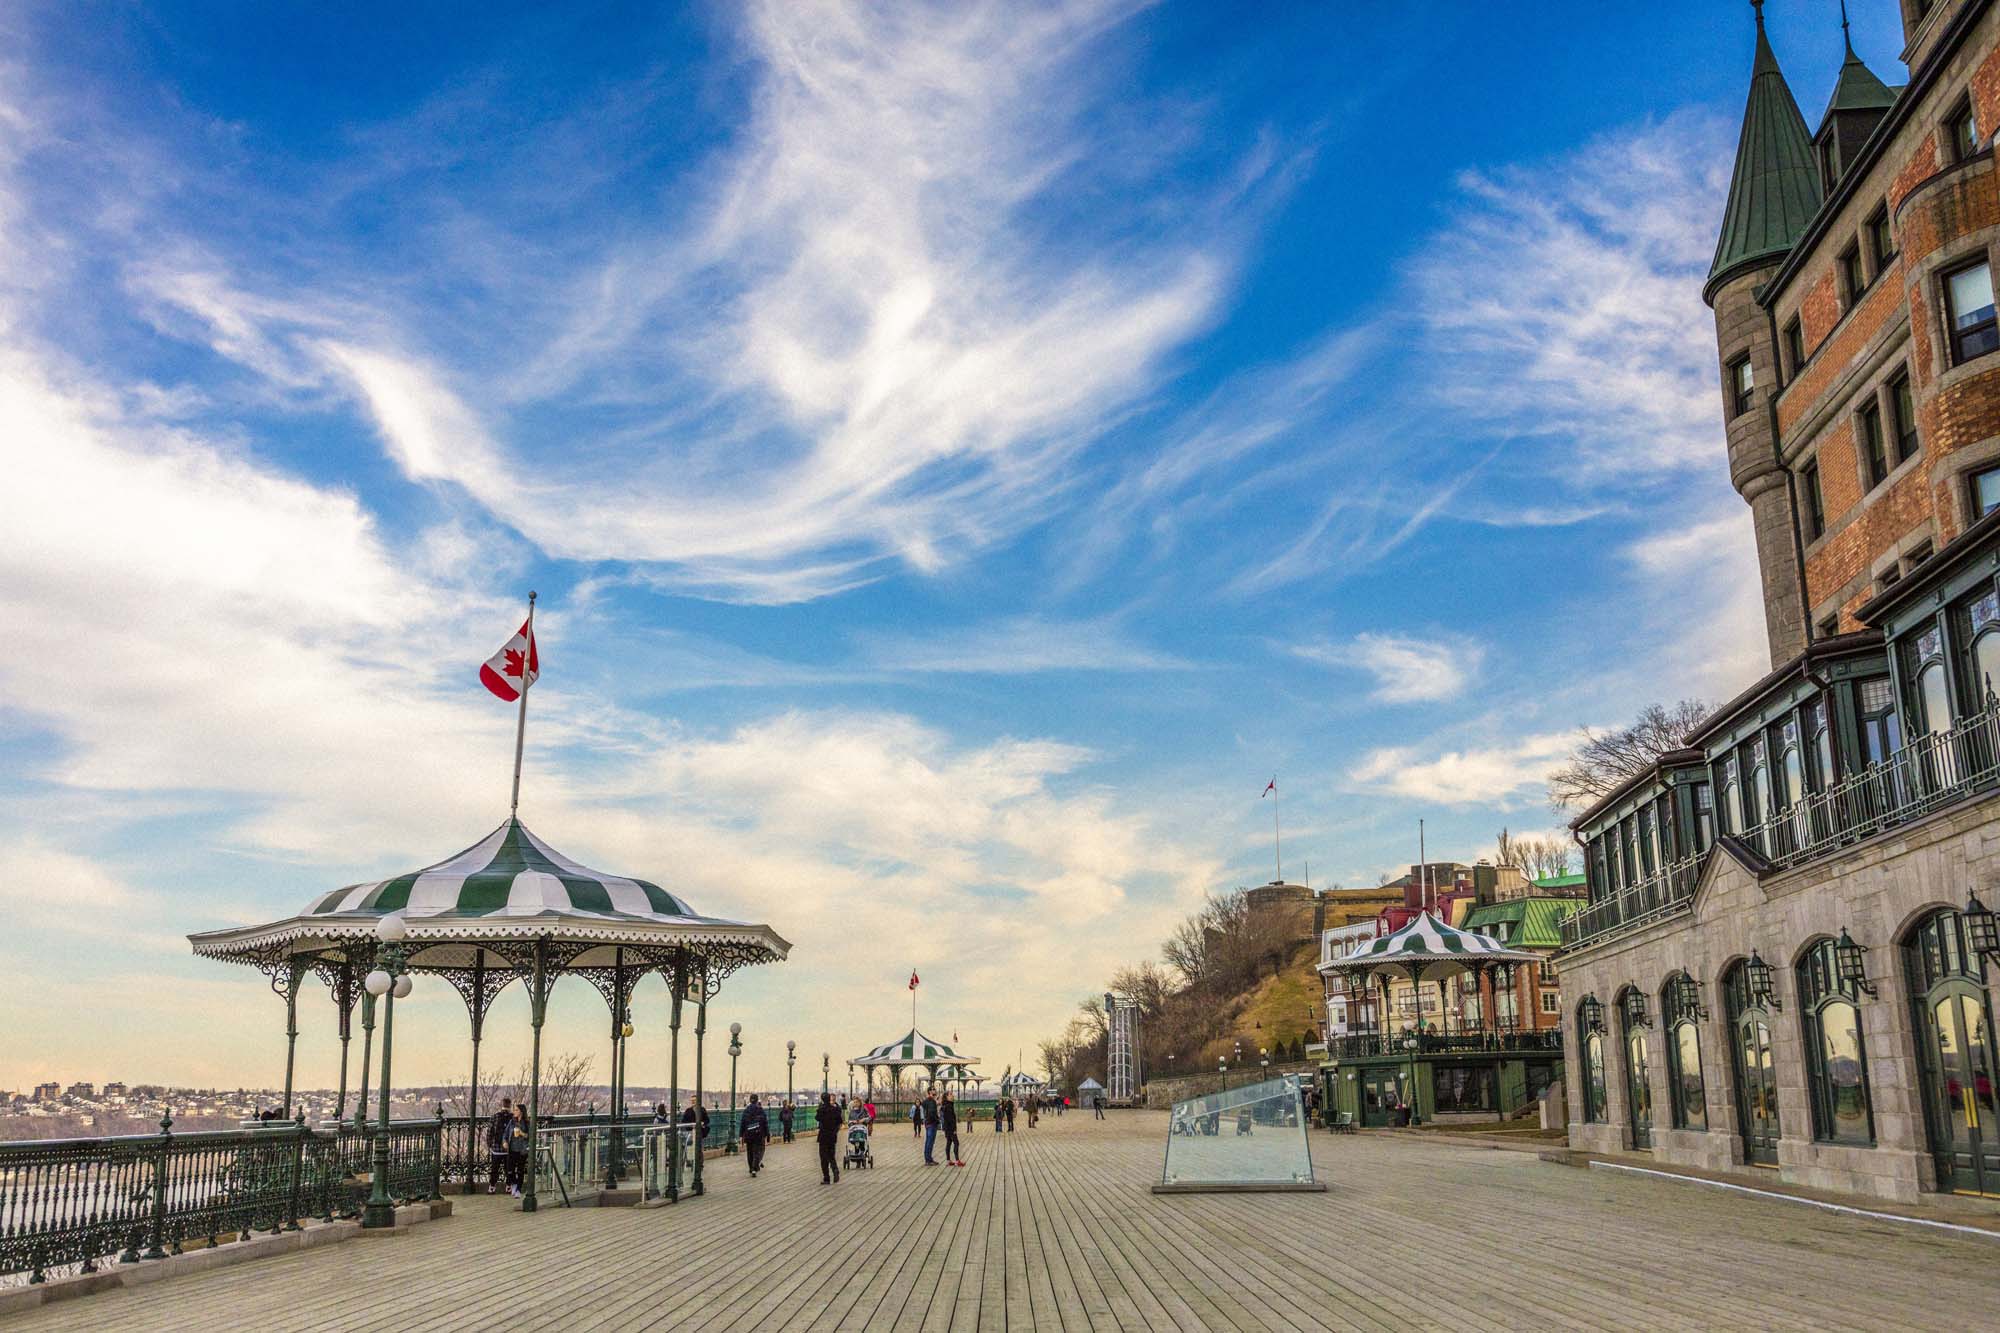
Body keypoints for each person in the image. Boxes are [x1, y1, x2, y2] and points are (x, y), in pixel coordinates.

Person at [486, 1097, 514, 1194]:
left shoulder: (495, 1116)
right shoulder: (513, 1118)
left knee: (494, 1168)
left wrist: (490, 1144)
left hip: (496, 1148)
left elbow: (490, 1132)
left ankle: (492, 1187)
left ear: (502, 1105)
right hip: (508, 1148)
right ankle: (509, 1186)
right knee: (509, 1168)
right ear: (510, 1105)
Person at [815, 1092, 842, 1184]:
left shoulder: (821, 1109)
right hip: (832, 1135)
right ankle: (835, 1170)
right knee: (831, 1155)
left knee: (823, 1157)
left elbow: (817, 1118)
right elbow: (840, 1121)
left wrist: (820, 1107)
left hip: (823, 1136)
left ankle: (826, 1177)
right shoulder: (835, 1110)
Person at [741, 1094, 769, 1177]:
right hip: (758, 1134)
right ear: (757, 1100)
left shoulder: (746, 1110)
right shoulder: (760, 1110)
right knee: (756, 1151)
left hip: (748, 1134)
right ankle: (754, 1168)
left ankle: (750, 1168)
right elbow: (765, 1123)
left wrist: (741, 1135)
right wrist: (767, 1134)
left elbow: (743, 1123)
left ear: (750, 1100)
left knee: (749, 1152)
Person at [507, 1107, 531, 1197]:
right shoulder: (512, 1122)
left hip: (522, 1149)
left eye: (516, 1110)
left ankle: (518, 1190)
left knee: (520, 1170)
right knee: (510, 1170)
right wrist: (505, 1141)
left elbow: (530, 1135)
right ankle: (514, 1184)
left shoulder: (527, 1123)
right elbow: (506, 1133)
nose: (514, 1112)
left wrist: (522, 1133)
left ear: (521, 1112)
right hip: (512, 1148)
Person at [941, 1091, 963, 1167]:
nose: (952, 1096)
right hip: (950, 1128)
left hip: (947, 1128)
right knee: (956, 1143)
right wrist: (954, 1129)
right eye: (950, 1094)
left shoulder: (946, 1105)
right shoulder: (948, 1106)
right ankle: (957, 1161)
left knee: (949, 1143)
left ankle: (948, 1160)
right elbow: (950, 1119)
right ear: (946, 1097)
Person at [920, 1089, 941, 1165]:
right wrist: (937, 1120)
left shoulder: (926, 1101)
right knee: (930, 1142)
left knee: (928, 1141)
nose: (934, 1091)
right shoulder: (932, 1102)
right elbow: (932, 1113)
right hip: (932, 1123)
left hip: (928, 1123)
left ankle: (928, 1159)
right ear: (930, 1092)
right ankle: (928, 1160)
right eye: (933, 1090)